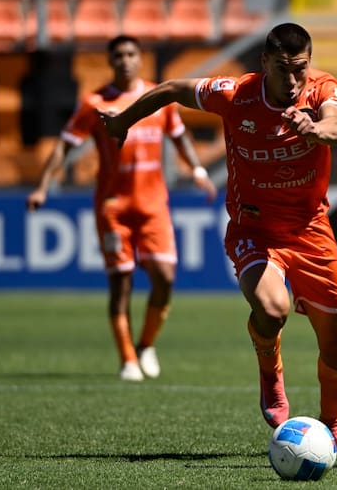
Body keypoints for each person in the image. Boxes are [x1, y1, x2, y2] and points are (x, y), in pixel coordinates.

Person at [98, 23, 337, 454]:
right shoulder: (235, 94)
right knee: (272, 308)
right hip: (253, 230)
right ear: (264, 64)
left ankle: (333, 421)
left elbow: (336, 126)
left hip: (311, 231)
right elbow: (170, 89)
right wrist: (124, 121)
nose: (292, 80)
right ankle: (270, 375)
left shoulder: (322, 90)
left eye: (300, 68)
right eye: (282, 69)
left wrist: (312, 128)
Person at [26, 35, 217, 382]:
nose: (126, 60)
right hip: (113, 206)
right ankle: (128, 358)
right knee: (121, 284)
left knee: (164, 278)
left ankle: (145, 344)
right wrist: (42, 186)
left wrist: (199, 172)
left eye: (131, 54)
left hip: (152, 205)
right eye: (119, 55)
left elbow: (179, 137)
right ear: (110, 62)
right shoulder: (94, 103)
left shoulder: (157, 99)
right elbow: (64, 147)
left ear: (139, 59)